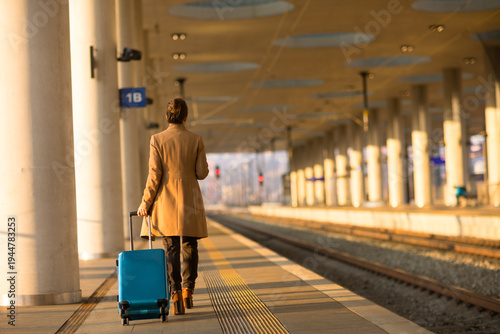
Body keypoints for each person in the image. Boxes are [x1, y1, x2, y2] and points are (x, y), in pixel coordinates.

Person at [137, 98, 209, 315]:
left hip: (166, 199)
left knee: (171, 247)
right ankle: (188, 291)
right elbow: (201, 173)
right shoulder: (196, 139)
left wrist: (145, 203)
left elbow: (154, 175)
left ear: (167, 116)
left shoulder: (157, 139)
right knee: (190, 246)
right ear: (185, 117)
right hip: (190, 199)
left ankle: (175, 294)